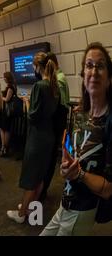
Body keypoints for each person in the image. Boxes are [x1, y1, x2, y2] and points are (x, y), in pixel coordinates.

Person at [40, 43, 112, 236]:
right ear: (83, 74)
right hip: (65, 204)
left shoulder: (109, 121)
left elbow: (108, 190)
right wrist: (66, 165)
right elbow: (72, 158)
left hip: (84, 209)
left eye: (100, 66)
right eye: (89, 65)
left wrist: (79, 174)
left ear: (109, 79)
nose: (94, 71)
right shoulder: (80, 114)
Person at [7, 52, 60, 224]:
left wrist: (27, 102)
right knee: (40, 176)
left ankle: (22, 214)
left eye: (34, 67)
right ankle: (32, 210)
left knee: (31, 177)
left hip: (37, 138)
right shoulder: (54, 85)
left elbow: (32, 116)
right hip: (48, 136)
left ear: (38, 67)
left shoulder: (39, 86)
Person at [39, 52, 71, 202]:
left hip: (56, 123)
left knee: (50, 157)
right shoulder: (59, 77)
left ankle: (43, 189)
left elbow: (60, 103)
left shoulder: (59, 79)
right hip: (57, 121)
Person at [0, 72, 18, 157]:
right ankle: (4, 147)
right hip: (9, 111)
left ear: (7, 78)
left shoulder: (10, 88)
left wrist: (0, 97)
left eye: (4, 77)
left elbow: (7, 99)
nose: (4, 79)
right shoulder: (13, 86)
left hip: (7, 111)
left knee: (4, 129)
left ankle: (4, 147)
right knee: (5, 129)